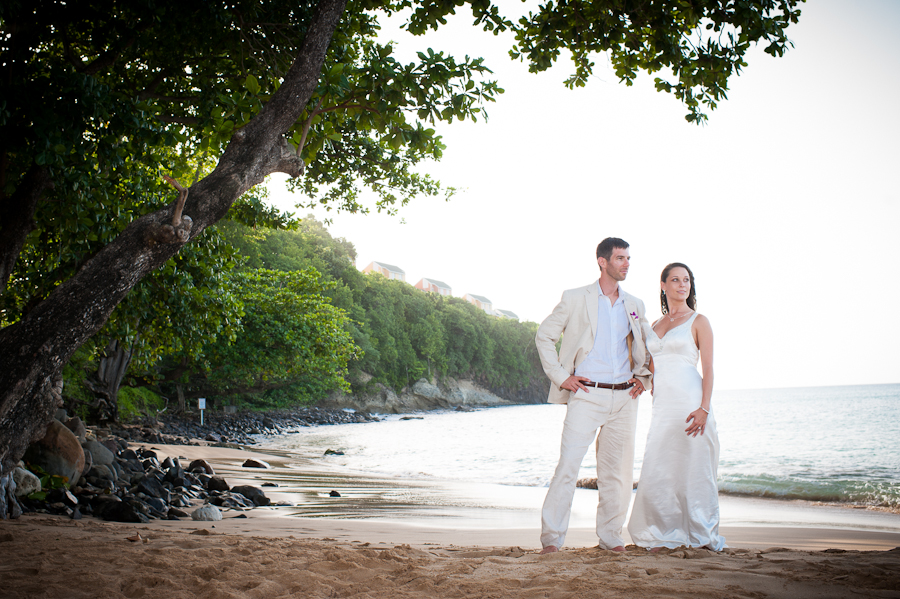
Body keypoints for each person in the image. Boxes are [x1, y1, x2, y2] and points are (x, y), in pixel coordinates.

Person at [535, 237, 652, 554]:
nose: (626, 263)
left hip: (625, 398)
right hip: (587, 394)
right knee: (568, 467)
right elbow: (544, 336)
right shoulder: (575, 298)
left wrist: (645, 378)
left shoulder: (635, 305)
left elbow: (650, 345)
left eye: (628, 258)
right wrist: (562, 377)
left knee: (618, 473)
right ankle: (552, 540)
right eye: (620, 258)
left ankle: (611, 537)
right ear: (602, 261)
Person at [627, 262, 725, 551]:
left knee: (695, 470)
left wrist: (704, 408)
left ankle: (701, 534)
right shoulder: (654, 326)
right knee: (661, 467)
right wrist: (640, 383)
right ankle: (660, 532)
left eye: (686, 280)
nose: (682, 285)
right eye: (675, 280)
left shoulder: (699, 321)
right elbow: (650, 369)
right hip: (662, 407)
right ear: (663, 285)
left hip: (691, 402)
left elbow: (708, 369)